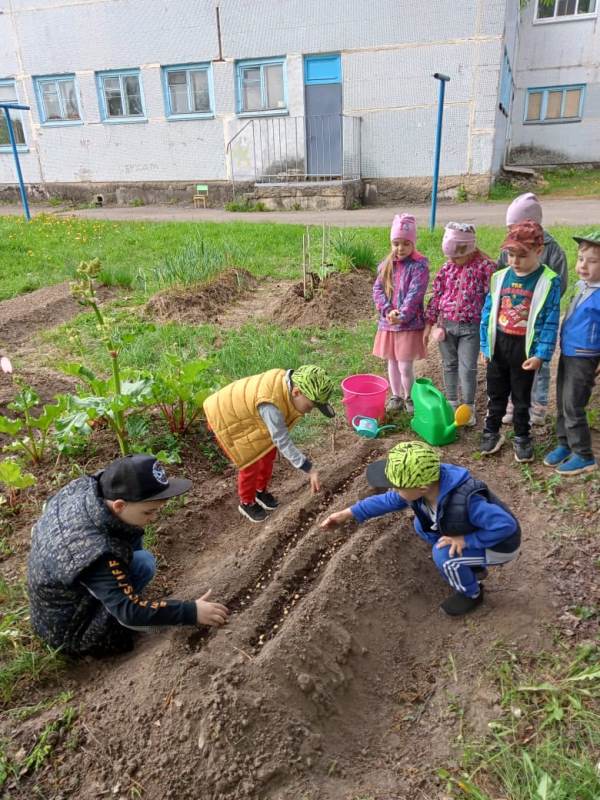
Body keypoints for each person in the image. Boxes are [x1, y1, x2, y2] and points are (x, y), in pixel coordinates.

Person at [27, 455, 229, 658]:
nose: (154, 518)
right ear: (119, 505)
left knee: (137, 556)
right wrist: (190, 611)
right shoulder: (96, 552)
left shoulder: (89, 489)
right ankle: (106, 626)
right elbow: (129, 612)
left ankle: (113, 592)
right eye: (148, 512)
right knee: (144, 564)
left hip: (57, 600)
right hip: (72, 631)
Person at [320, 441, 520, 616]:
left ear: (422, 487)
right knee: (421, 525)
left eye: (398, 487)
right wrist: (347, 514)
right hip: (470, 529)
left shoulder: (468, 503)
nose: (394, 491)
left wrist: (466, 541)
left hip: (501, 545)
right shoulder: (427, 484)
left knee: (443, 555)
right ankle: (471, 566)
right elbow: (388, 500)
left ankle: (472, 593)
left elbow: (506, 526)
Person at [203, 364, 335, 523]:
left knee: (268, 452)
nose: (309, 411)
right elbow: (282, 441)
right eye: (310, 406)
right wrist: (309, 468)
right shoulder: (271, 406)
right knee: (250, 460)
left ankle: (260, 491)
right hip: (225, 417)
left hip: (249, 413)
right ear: (296, 392)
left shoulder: (285, 388)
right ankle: (247, 502)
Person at [480, 220, 561, 463]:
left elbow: (550, 320)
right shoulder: (499, 277)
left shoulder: (548, 281)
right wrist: (485, 346)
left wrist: (541, 354)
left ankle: (522, 436)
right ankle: (491, 431)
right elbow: (488, 313)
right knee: (495, 393)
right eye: (510, 254)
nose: (514, 261)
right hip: (499, 346)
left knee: (521, 397)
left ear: (539, 251)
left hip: (525, 350)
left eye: (521, 255)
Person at [499, 192, 568, 425]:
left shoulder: (553, 250)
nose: (511, 235)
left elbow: (561, 282)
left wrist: (543, 303)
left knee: (540, 361)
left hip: (537, 318)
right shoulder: (509, 249)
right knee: (514, 362)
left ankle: (538, 406)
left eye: (514, 227)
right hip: (513, 318)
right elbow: (501, 276)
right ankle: (514, 402)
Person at [423, 222, 495, 427]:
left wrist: (488, 330)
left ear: (469, 248)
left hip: (471, 328)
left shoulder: (485, 267)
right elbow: (437, 296)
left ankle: (468, 407)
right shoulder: (447, 268)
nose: (453, 260)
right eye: (449, 257)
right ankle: (452, 403)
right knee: (449, 365)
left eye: (457, 256)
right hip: (446, 326)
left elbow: (492, 298)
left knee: (467, 368)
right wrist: (430, 323)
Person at [544, 231, 600, 475]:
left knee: (573, 403)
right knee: (562, 400)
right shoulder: (583, 286)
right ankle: (564, 443)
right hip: (569, 351)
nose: (583, 265)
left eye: (592, 261)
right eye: (580, 259)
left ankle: (583, 454)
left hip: (585, 356)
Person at [372, 213, 429, 416]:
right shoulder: (386, 264)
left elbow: (416, 293)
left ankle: (409, 396)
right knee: (392, 361)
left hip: (408, 324)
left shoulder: (419, 266)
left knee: (405, 364)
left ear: (412, 243)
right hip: (388, 322)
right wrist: (388, 311)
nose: (400, 248)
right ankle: (396, 395)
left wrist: (402, 314)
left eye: (406, 243)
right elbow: (377, 290)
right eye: (396, 243)